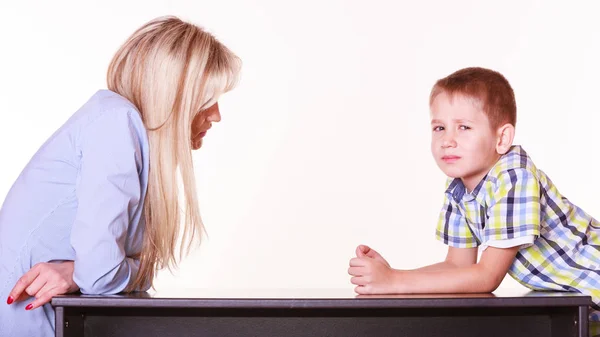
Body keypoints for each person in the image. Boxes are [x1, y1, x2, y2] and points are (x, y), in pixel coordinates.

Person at [0, 15, 241, 336]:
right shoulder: (116, 124)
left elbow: (104, 272)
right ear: (171, 93)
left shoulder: (116, 121)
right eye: (207, 100)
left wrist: (80, 272)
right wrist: (88, 272)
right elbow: (101, 275)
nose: (216, 115)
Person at [348, 67, 600, 335]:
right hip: (580, 302)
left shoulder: (514, 177)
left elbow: (486, 277)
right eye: (439, 128)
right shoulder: (459, 189)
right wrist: (393, 274)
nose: (447, 140)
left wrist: (394, 282)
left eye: (464, 127)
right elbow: (458, 266)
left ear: (501, 138)